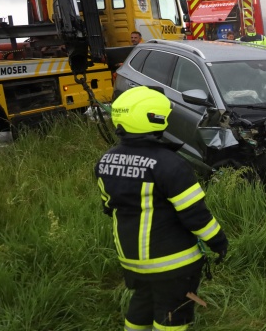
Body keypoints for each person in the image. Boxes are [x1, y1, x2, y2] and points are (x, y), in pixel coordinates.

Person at [94, 86, 229, 330]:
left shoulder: (105, 160)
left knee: (142, 303)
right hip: (173, 262)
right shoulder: (171, 164)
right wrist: (218, 242)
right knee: (173, 314)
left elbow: (108, 206)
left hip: (131, 259)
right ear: (156, 119)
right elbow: (195, 215)